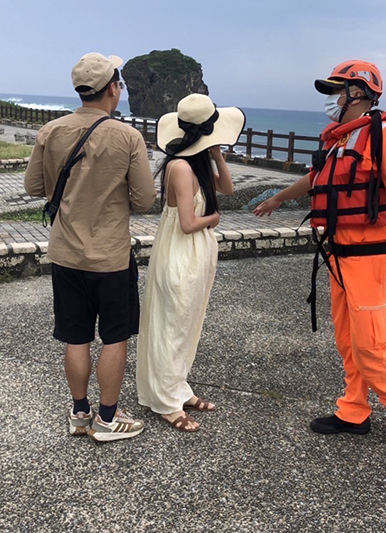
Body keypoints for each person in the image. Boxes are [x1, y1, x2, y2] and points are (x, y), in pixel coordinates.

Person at [254, 60, 386, 439]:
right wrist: (278, 198)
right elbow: (317, 179)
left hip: (374, 253)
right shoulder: (342, 138)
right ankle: (354, 411)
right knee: (347, 341)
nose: (331, 98)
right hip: (339, 255)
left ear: (358, 92)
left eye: (336, 90)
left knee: (370, 343)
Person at [24, 52, 156, 442]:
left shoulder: (50, 130)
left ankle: (80, 414)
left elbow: (34, 188)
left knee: (76, 336)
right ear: (113, 88)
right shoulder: (127, 136)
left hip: (65, 253)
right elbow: (145, 199)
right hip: (111, 255)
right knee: (115, 337)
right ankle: (108, 419)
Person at [136, 93, 244, 432]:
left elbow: (226, 187)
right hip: (181, 253)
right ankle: (167, 402)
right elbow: (187, 222)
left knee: (187, 325)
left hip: (194, 255)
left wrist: (219, 158)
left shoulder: (196, 161)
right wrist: (212, 219)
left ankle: (178, 388)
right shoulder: (181, 166)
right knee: (173, 327)